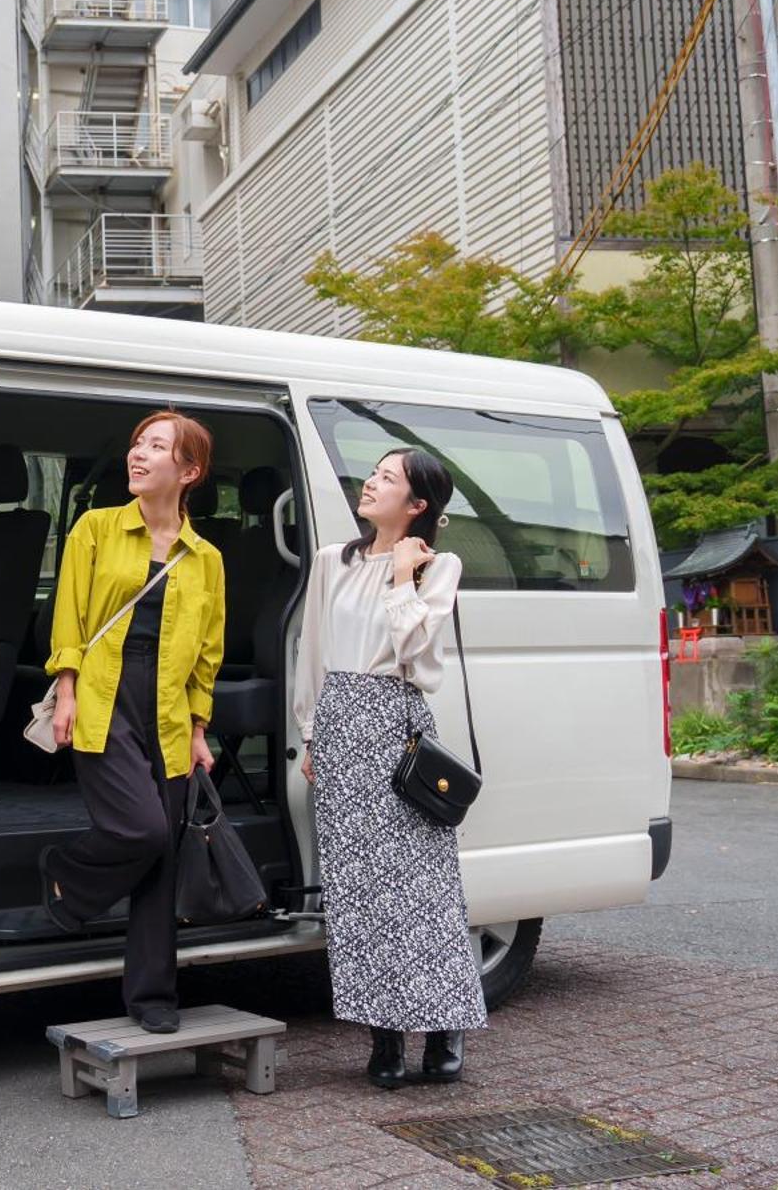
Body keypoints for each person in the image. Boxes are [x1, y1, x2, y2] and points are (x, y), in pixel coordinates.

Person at [292, 447, 487, 1087]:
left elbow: (416, 651)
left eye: (388, 478)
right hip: (343, 724)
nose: (371, 483)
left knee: (422, 891)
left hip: (397, 726)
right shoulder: (332, 562)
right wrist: (311, 732)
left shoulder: (440, 565)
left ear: (418, 504)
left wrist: (404, 574)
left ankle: (443, 1025)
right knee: (360, 894)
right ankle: (383, 1038)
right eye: (373, 473)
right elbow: (312, 652)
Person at [39, 411, 227, 1033]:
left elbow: (208, 656)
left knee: (163, 858)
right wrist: (66, 691)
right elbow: (69, 614)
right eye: (137, 445)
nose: (138, 455)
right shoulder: (93, 529)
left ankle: (153, 998)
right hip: (102, 696)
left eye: (156, 447)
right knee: (143, 832)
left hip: (170, 709)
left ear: (189, 471)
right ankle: (67, 877)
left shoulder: (207, 559)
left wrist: (199, 730)